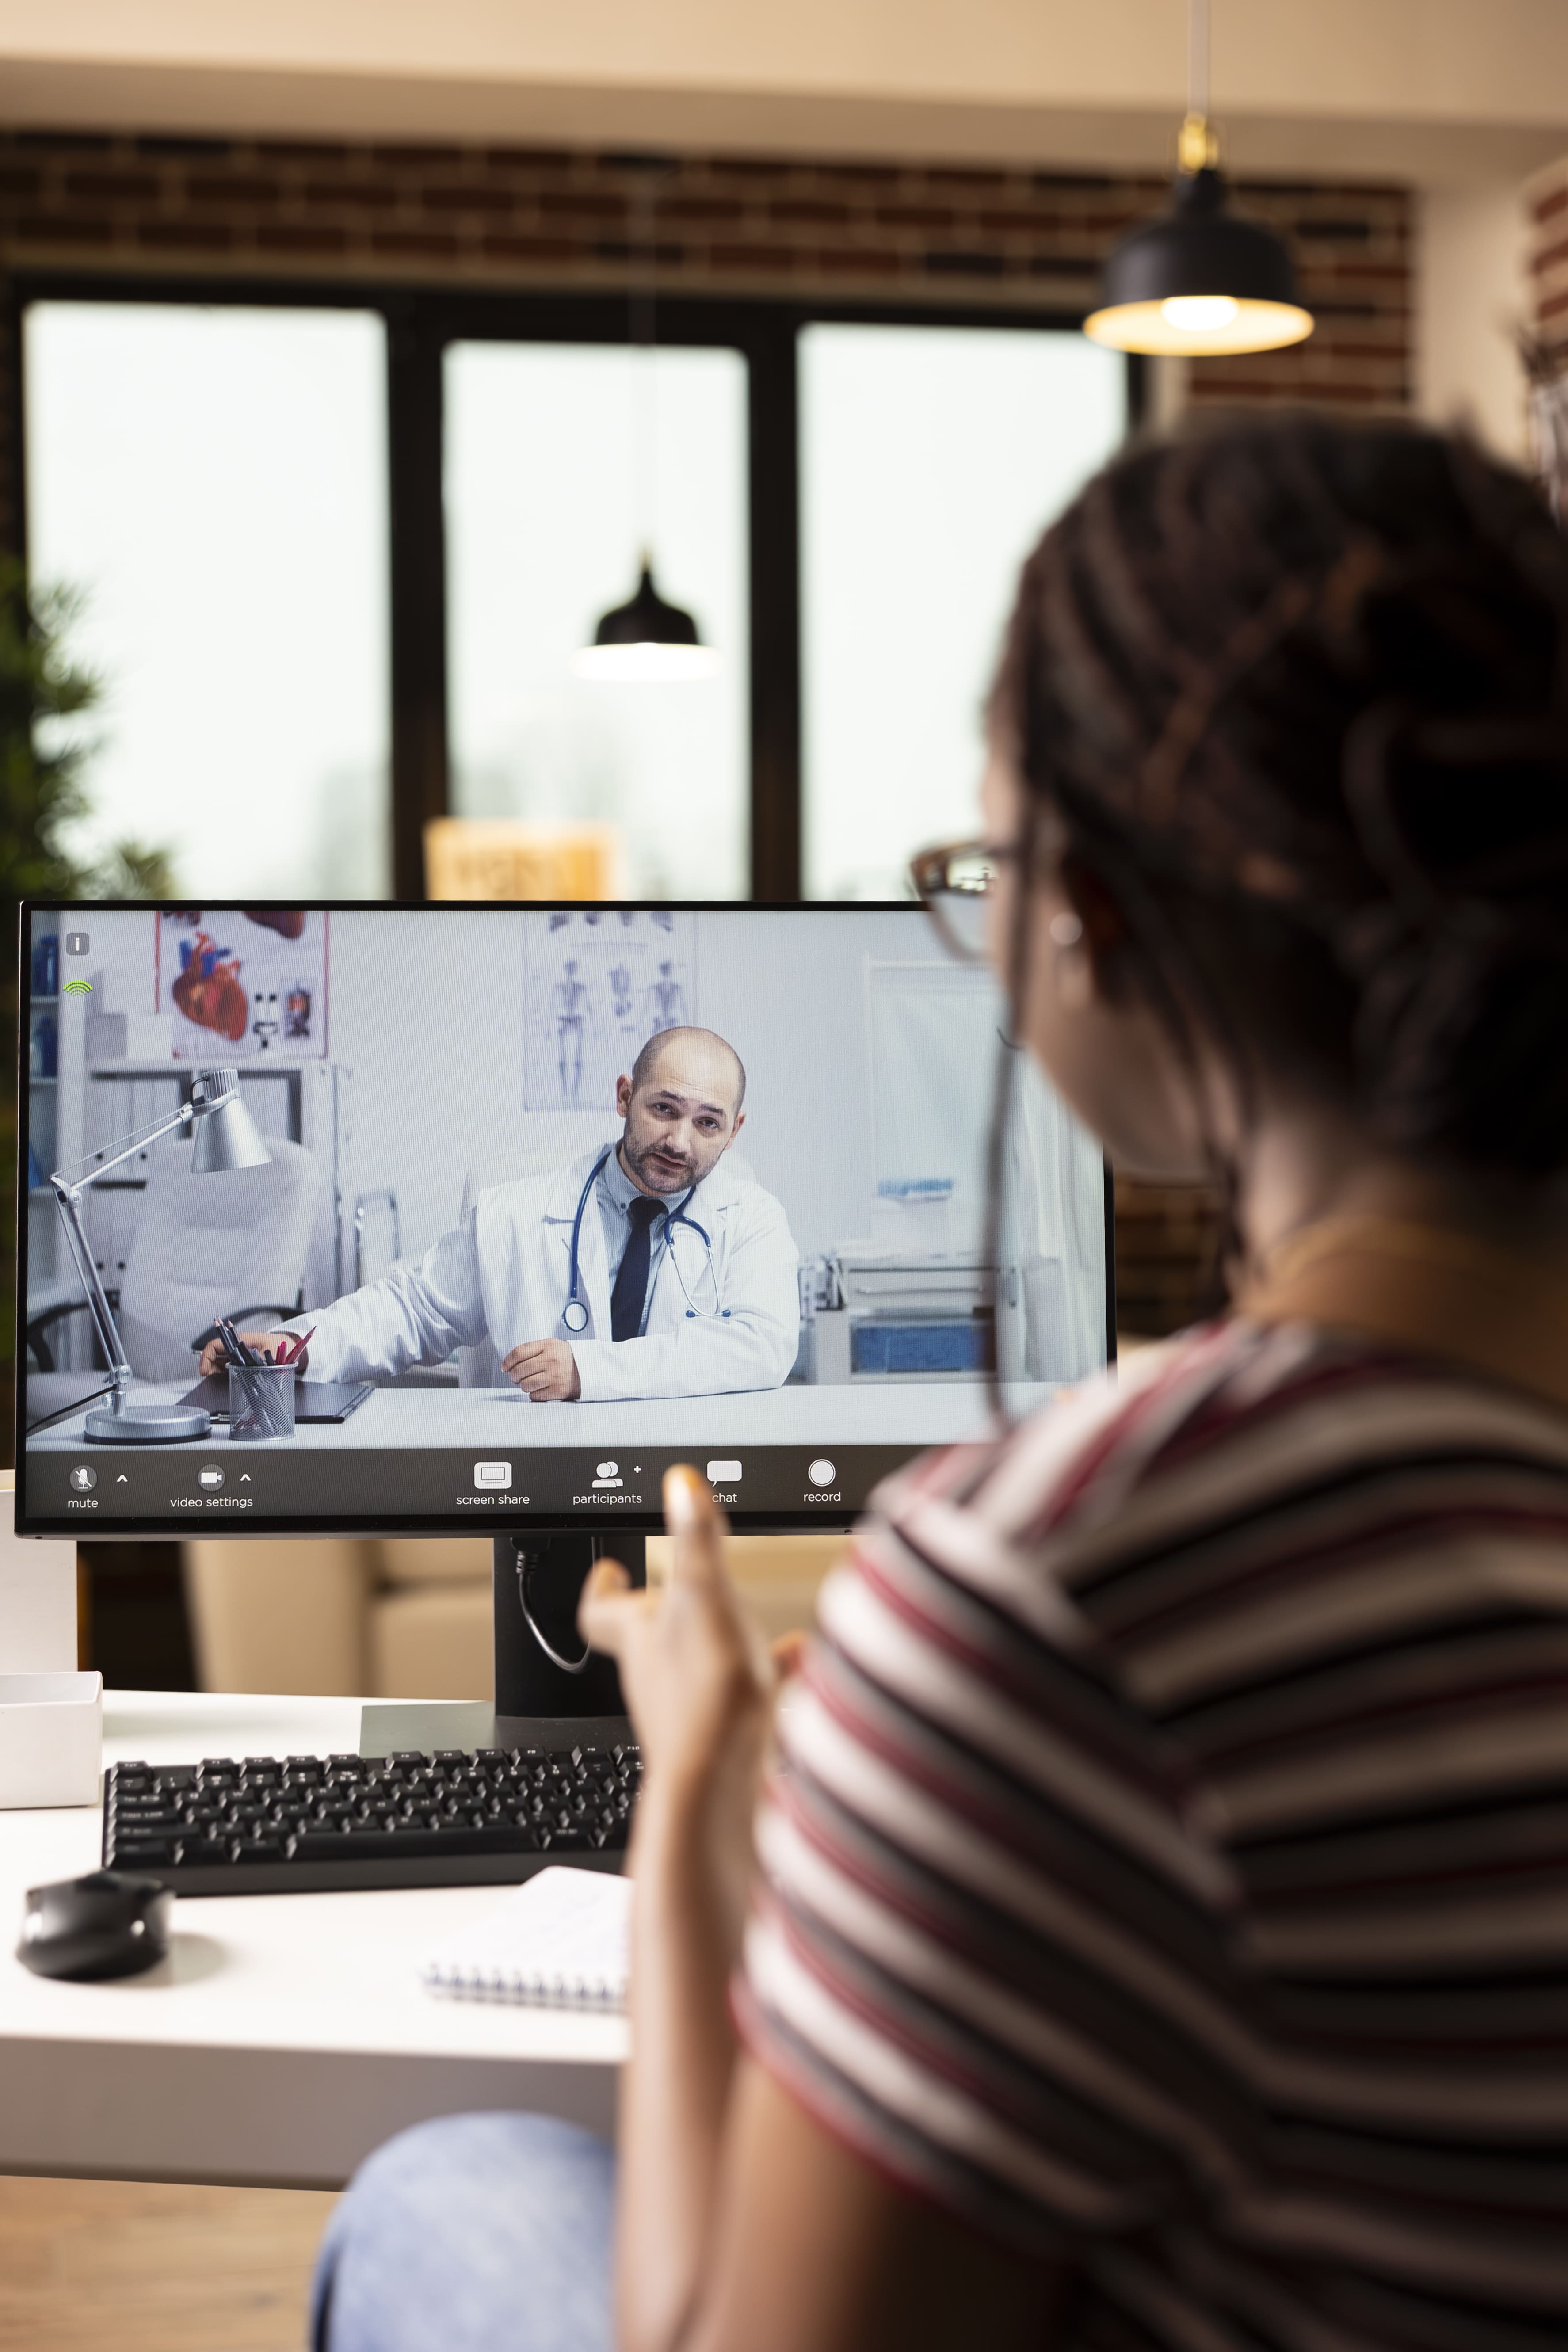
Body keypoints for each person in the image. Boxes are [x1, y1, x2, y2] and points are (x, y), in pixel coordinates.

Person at [310, 416, 1568, 2352]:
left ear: (1091, 910)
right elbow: (386, 1318)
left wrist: (697, 1814)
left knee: (441, 2187)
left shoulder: (1060, 1580)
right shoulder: (504, 1205)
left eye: (985, 863)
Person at [202, 1025, 800, 1402]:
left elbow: (763, 1346)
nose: (679, 1140)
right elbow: (411, 1310)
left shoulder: (753, 1219)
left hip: (686, 1482)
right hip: (532, 1480)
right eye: (663, 1108)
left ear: (734, 1130)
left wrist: (587, 1371)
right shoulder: (513, 1212)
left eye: (707, 1122)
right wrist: (291, 1346)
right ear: (624, 1096)